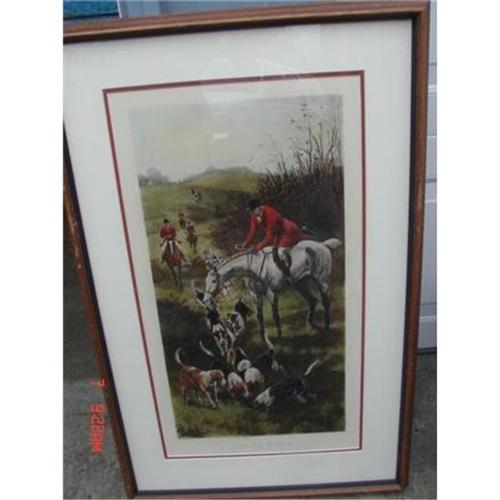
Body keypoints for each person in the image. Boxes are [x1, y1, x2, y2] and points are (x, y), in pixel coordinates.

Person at [236, 199, 304, 276]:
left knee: (280, 252)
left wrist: (258, 247)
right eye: (250, 211)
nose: (251, 213)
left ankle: (288, 275)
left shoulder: (270, 214)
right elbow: (253, 231)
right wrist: (245, 244)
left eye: (252, 210)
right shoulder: (254, 216)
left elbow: (269, 236)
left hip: (287, 232)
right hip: (277, 235)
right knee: (273, 253)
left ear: (259, 208)